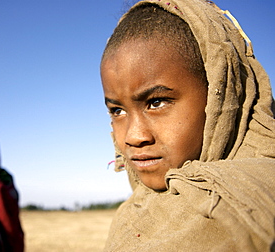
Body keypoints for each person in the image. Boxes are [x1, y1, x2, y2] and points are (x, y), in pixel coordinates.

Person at [100, 0, 275, 251]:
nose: (133, 136)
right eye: (117, 110)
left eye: (156, 102)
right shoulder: (135, 211)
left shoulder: (250, 207)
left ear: (222, 94)